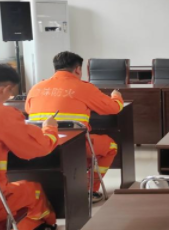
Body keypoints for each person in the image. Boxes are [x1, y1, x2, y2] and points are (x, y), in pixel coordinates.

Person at [0, 63, 59, 230]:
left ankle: (31, 229)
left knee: (11, 192)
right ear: (5, 88)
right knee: (32, 190)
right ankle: (42, 228)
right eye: (10, 94)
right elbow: (36, 148)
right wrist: (50, 129)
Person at [25, 52, 124, 203]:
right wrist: (116, 96)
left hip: (40, 146)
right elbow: (114, 108)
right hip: (73, 147)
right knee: (110, 146)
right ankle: (89, 190)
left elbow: (28, 110)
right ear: (77, 69)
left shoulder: (36, 88)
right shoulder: (83, 88)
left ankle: (75, 182)